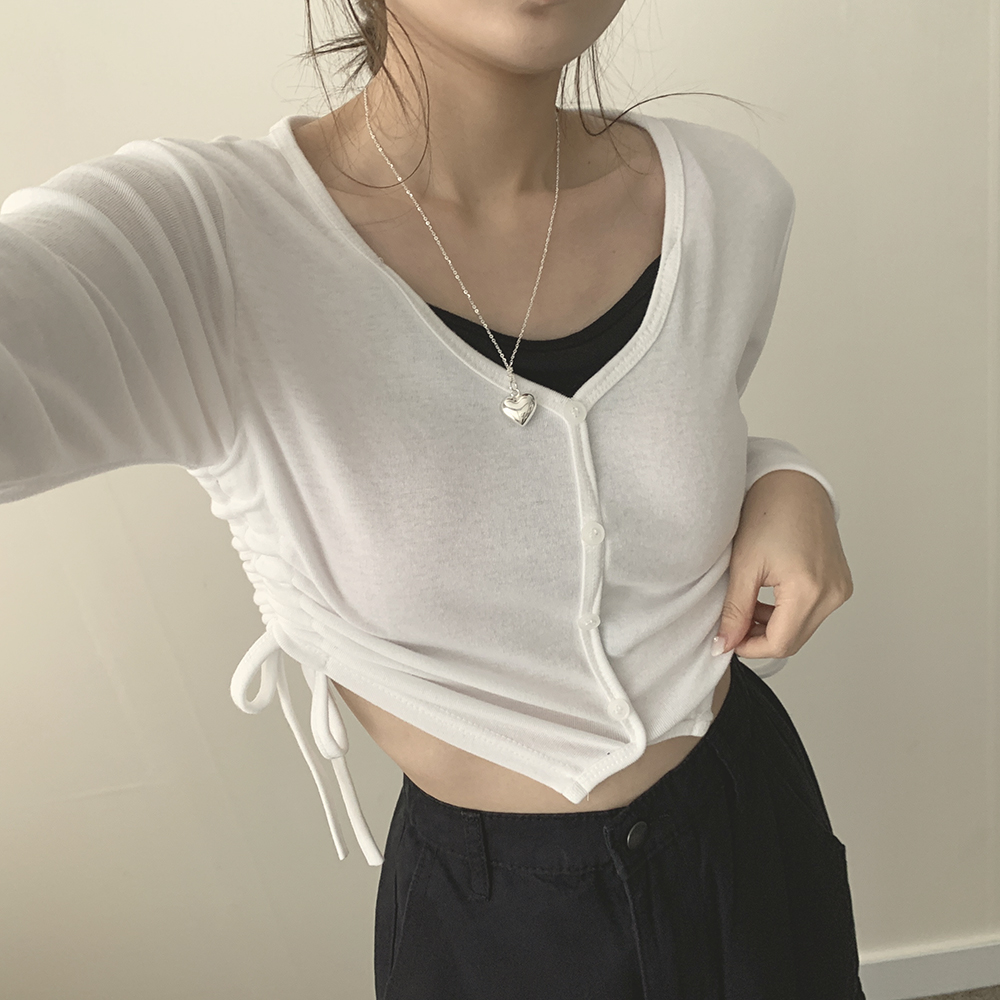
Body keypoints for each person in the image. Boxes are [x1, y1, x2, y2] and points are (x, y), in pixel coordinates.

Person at [0, 0, 862, 996]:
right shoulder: (201, 240)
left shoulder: (729, 197)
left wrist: (781, 474)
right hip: (499, 917)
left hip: (750, 829)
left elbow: (652, 438)